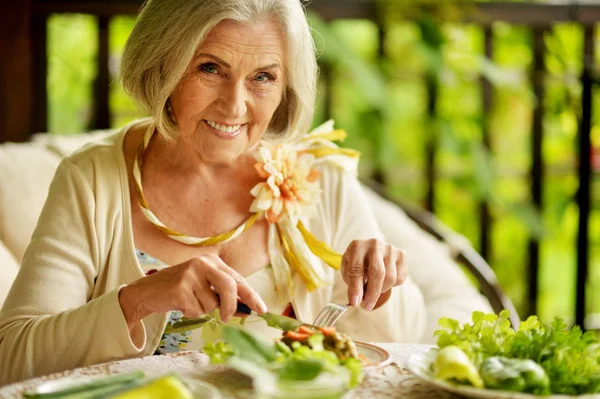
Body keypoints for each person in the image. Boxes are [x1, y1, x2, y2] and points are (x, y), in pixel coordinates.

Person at [0, 0, 426, 385]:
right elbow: (14, 359)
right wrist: (140, 299)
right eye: (210, 68)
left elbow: (401, 343)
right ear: (163, 65)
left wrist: (385, 286)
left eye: (263, 77)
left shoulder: (320, 177)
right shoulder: (92, 178)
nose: (235, 106)